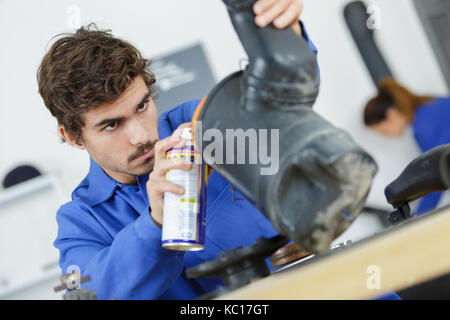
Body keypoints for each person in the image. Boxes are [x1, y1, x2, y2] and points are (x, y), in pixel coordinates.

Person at [37, 0, 318, 300]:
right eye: (111, 125)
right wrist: (155, 223)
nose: (142, 136)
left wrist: (286, 41)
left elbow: (278, 111)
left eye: (142, 106)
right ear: (73, 137)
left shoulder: (199, 122)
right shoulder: (80, 223)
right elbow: (89, 294)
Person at [364, 77, 450, 214]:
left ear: (390, 115)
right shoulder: (433, 104)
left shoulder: (422, 129)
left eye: (383, 131)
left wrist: (415, 220)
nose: (387, 136)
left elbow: (438, 174)